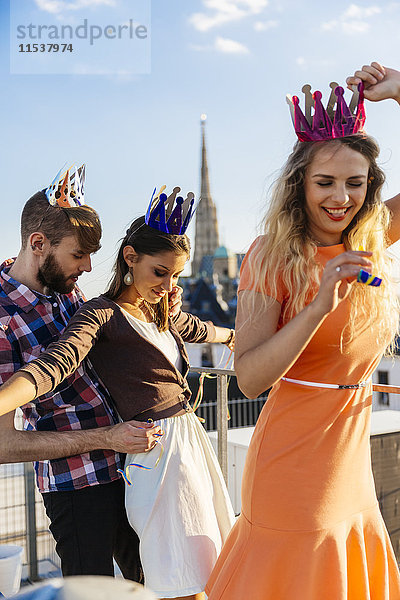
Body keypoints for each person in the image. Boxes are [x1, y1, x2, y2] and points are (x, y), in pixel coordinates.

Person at [206, 62, 400, 599]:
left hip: (350, 460)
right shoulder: (270, 256)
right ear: (299, 184)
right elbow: (247, 378)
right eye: (325, 182)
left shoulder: (371, 235)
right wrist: (317, 306)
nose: (341, 197)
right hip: (294, 466)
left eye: (355, 183)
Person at [0, 185, 236, 600]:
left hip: (133, 461)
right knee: (88, 590)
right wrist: (104, 437)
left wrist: (227, 332)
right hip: (78, 481)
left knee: (157, 582)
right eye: (79, 255)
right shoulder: (8, 317)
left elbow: (179, 329)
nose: (88, 267)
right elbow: (51, 369)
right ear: (38, 244)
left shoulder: (66, 288)